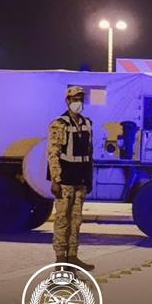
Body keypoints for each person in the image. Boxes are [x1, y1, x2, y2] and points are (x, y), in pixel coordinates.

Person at [47, 86, 95, 271]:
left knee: (76, 220)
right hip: (65, 180)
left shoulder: (87, 123)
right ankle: (60, 260)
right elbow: (53, 153)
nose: (78, 102)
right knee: (62, 220)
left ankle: (73, 258)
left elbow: (90, 153)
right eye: (75, 99)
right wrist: (55, 180)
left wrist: (88, 178)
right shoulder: (59, 124)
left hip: (80, 180)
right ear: (67, 101)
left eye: (81, 99)